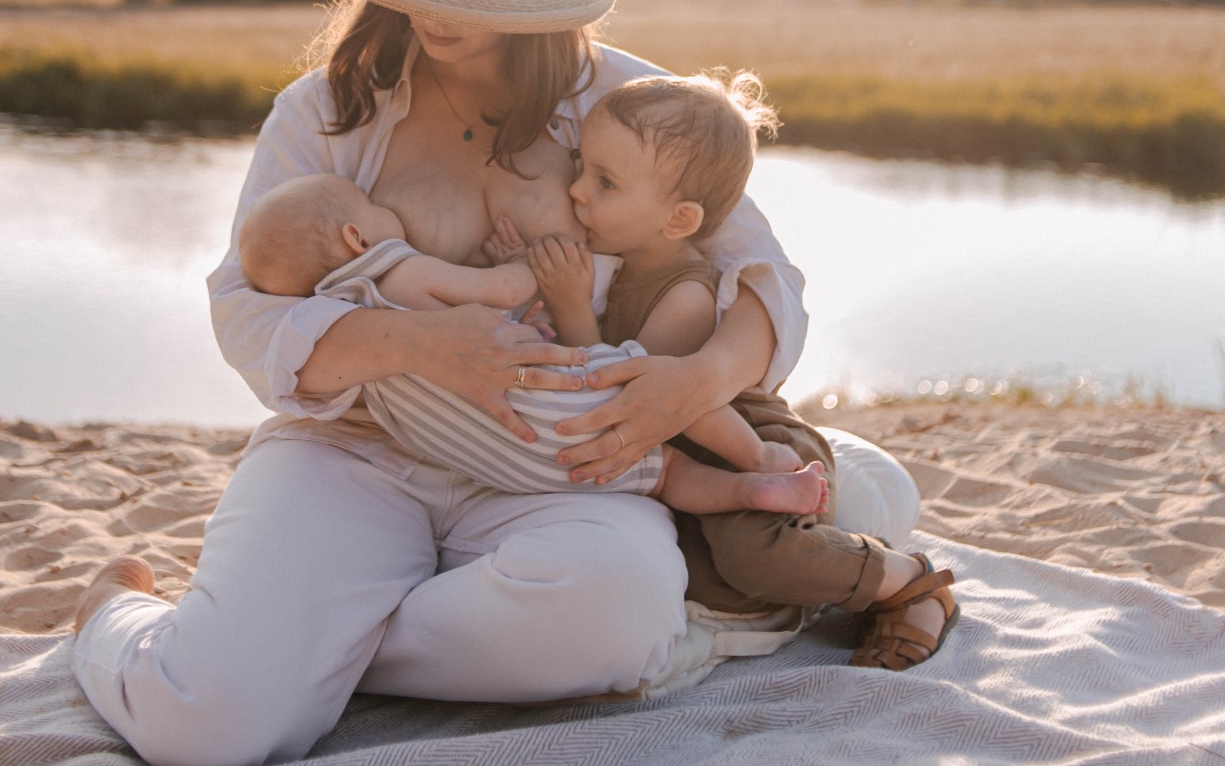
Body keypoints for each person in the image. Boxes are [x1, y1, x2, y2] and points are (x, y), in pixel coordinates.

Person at [72, 0, 952, 766]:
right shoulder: (323, 113)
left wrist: (688, 384)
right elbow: (245, 312)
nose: (433, 11)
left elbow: (761, 277)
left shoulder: (620, 102)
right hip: (357, 452)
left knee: (618, 612)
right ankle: (116, 615)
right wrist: (416, 346)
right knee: (203, 729)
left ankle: (318, 650)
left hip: (566, 459)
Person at [233, 111, 830, 517]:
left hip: (486, 445)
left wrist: (707, 374)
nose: (578, 192)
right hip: (531, 409)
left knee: (664, 473)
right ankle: (755, 469)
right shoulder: (392, 257)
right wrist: (532, 270)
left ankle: (755, 486)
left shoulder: (628, 108)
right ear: (357, 236)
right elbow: (493, 292)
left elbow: (767, 276)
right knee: (662, 444)